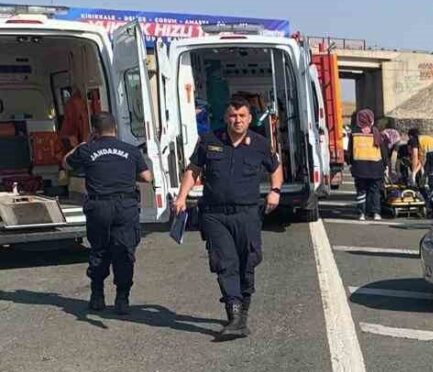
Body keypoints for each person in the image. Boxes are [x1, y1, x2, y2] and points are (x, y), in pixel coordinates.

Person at [172, 97, 283, 341]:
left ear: (249, 119)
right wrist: (182, 197)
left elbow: (275, 168)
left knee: (248, 259)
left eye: (242, 116)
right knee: (224, 262)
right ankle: (233, 314)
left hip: (247, 213)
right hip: (215, 214)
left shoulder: (261, 144)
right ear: (226, 117)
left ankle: (243, 311)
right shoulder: (210, 141)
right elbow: (193, 170)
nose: (237, 120)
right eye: (233, 116)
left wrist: (275, 191)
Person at [63, 112, 153, 315]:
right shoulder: (130, 150)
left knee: (99, 250)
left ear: (94, 131)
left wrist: (83, 143)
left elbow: (66, 162)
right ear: (115, 128)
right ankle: (122, 298)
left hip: (99, 208)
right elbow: (147, 177)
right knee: (124, 252)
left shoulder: (87, 150)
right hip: (125, 207)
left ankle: (97, 296)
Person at [347, 109, 389, 221]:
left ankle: (361, 214)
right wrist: (386, 165)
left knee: (361, 191)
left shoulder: (354, 133)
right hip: (375, 167)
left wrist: (350, 163)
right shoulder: (376, 132)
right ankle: (376, 213)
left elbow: (350, 152)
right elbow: (383, 151)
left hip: (359, 167)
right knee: (374, 191)